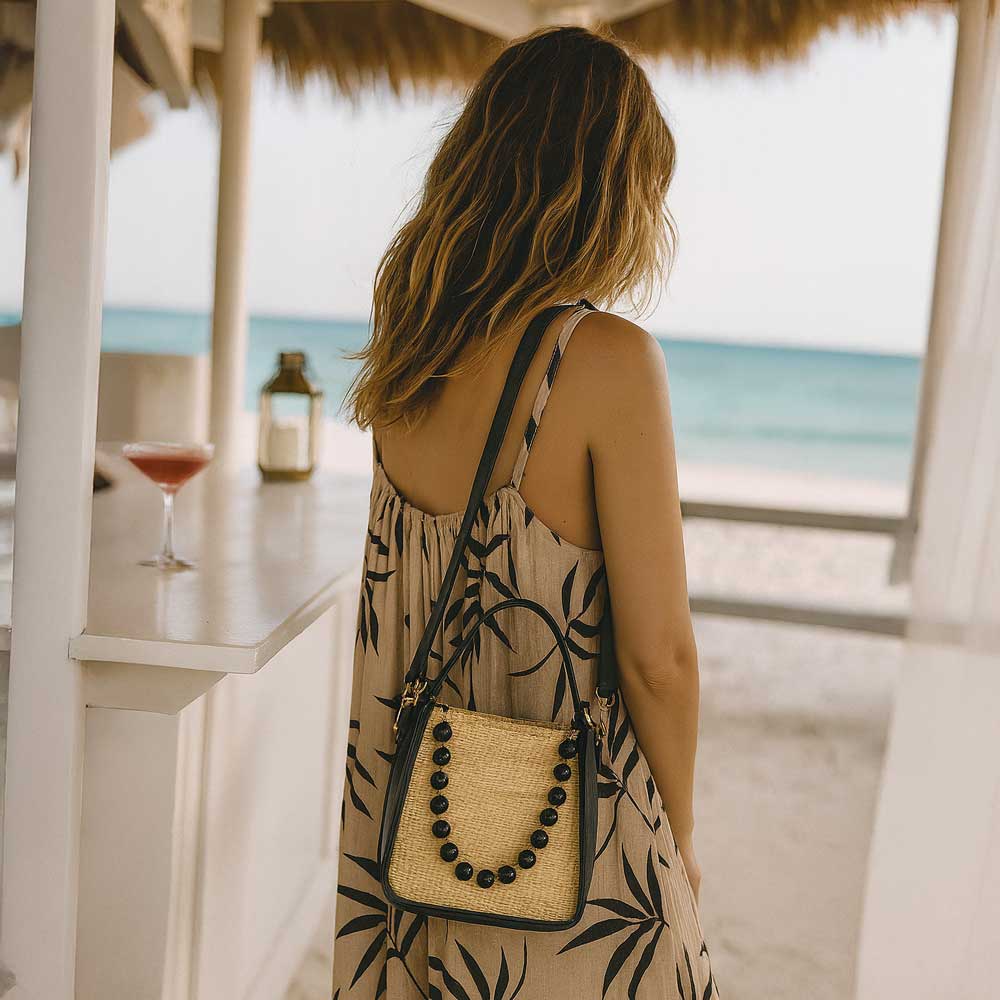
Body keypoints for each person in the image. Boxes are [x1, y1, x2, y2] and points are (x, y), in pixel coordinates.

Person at [334, 25, 719, 999]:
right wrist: (675, 837)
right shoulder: (604, 360)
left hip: (412, 853)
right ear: (612, 191)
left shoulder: (409, 350)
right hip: (575, 860)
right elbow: (657, 658)